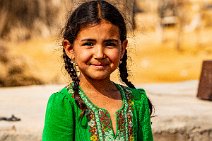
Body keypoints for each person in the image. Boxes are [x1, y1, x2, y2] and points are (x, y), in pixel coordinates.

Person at [42, 1, 153, 141]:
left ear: (123, 48)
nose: (100, 54)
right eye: (89, 44)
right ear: (70, 49)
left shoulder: (137, 101)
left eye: (110, 44)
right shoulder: (64, 105)